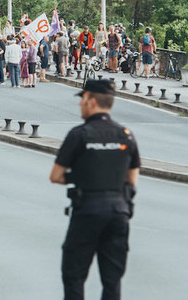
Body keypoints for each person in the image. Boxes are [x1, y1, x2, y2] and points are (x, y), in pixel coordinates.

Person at [50, 79, 140, 300]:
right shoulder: (126, 135)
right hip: (119, 211)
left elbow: (56, 176)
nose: (80, 104)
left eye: (82, 99)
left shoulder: (79, 135)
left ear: (91, 101)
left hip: (88, 210)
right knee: (112, 278)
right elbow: (132, 179)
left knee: (74, 274)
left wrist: (83, 176)